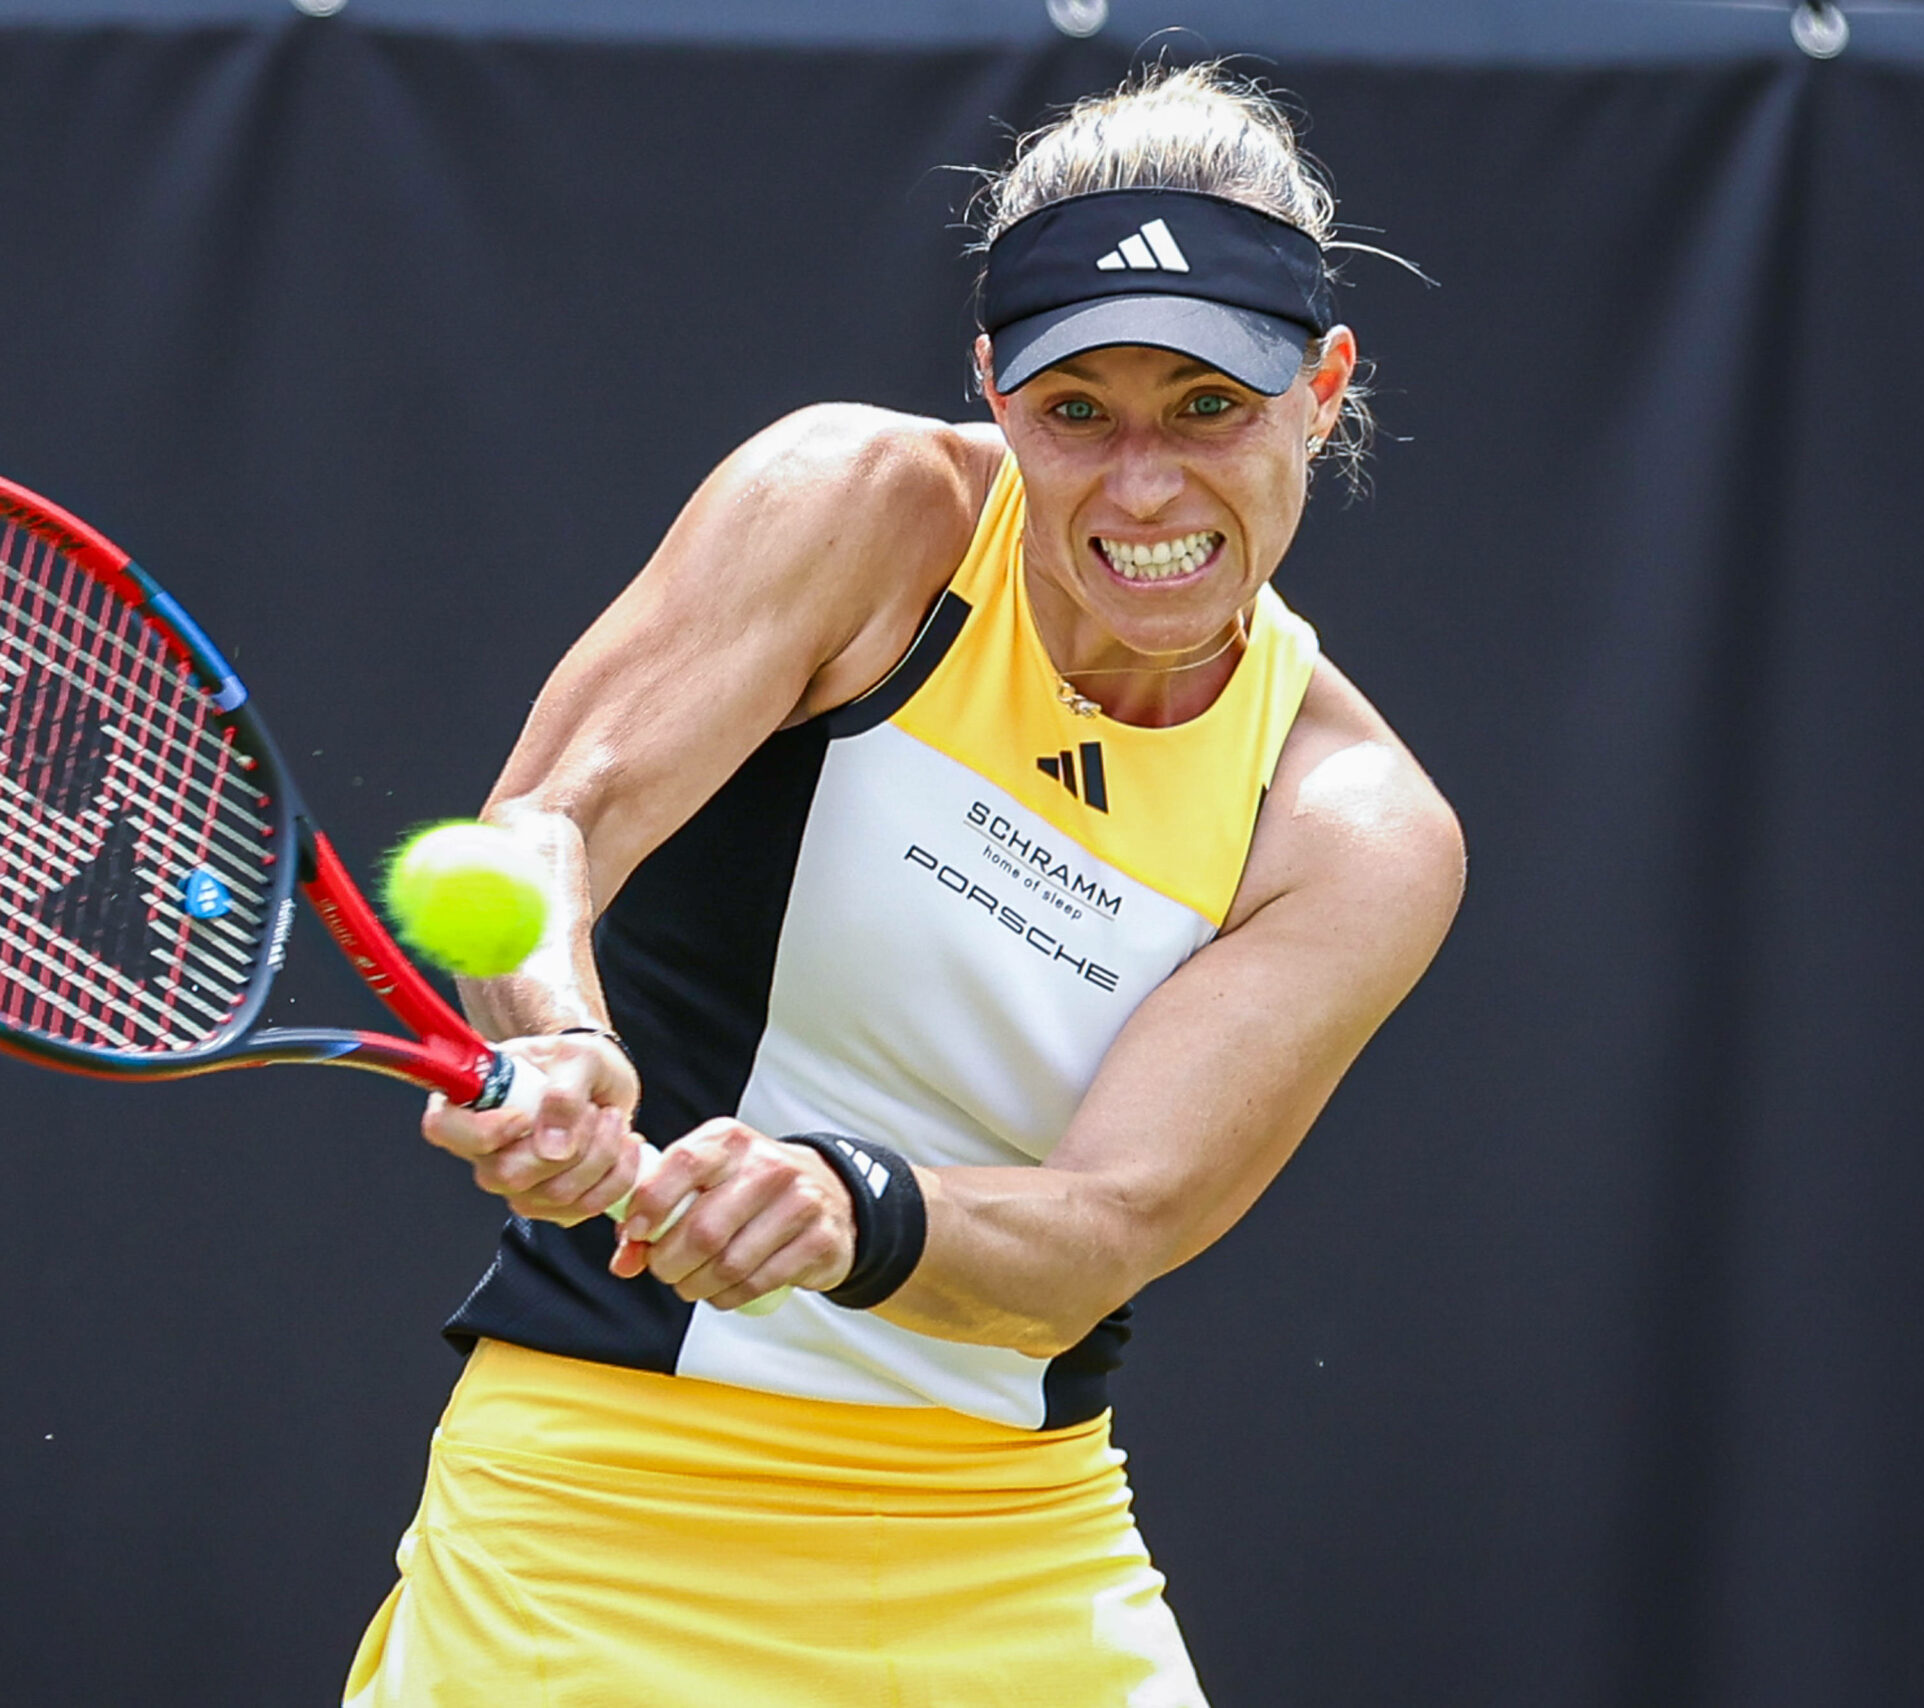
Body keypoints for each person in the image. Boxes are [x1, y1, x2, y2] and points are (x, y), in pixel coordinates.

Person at [345, 63, 1464, 1708]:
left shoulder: (1352, 827)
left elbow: (1107, 1227)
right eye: (1079, 411)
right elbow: (548, 826)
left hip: (1015, 1552)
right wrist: (563, 1036)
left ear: (1321, 388)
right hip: (599, 1512)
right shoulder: (863, 513)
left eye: (1207, 406)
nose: (1145, 487)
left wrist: (843, 1205)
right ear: (994, 388)